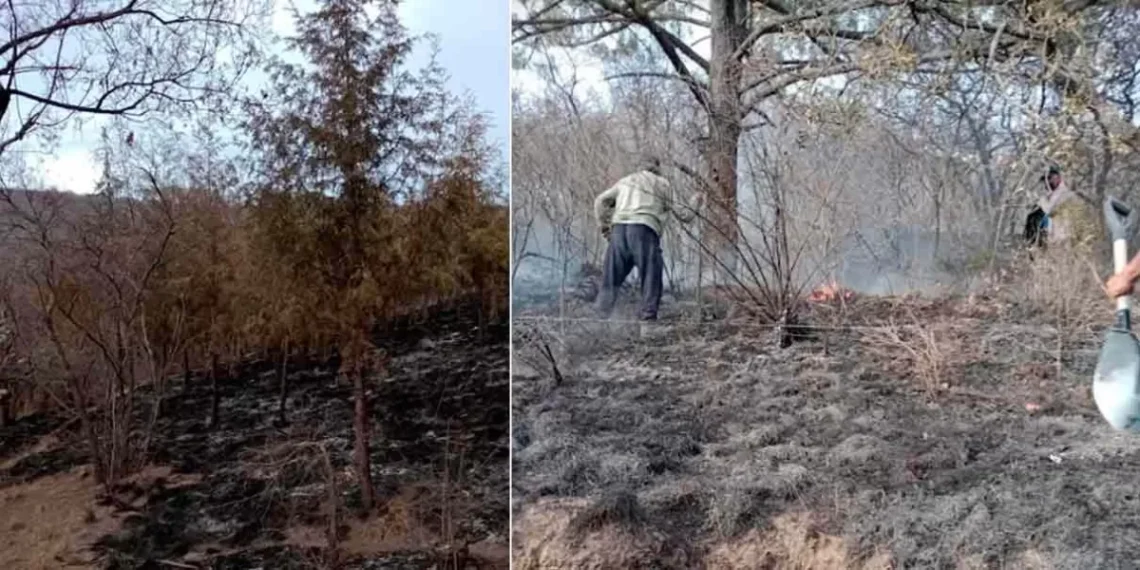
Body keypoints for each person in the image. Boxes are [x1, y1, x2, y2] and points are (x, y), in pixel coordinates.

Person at [593, 156, 703, 327]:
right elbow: (684, 216)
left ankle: (596, 322)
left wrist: (605, 227)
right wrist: (697, 200)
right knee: (651, 276)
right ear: (657, 168)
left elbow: (600, 201)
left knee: (611, 278)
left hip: (619, 230)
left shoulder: (625, 181)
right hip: (643, 230)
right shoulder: (662, 183)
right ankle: (648, 323)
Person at [1035, 165, 1096, 250]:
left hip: (1066, 237)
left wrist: (1042, 199)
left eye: (1050, 178)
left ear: (1057, 177)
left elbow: (1049, 210)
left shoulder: (1063, 192)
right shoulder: (1055, 194)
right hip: (1059, 237)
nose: (1048, 182)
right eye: (1046, 179)